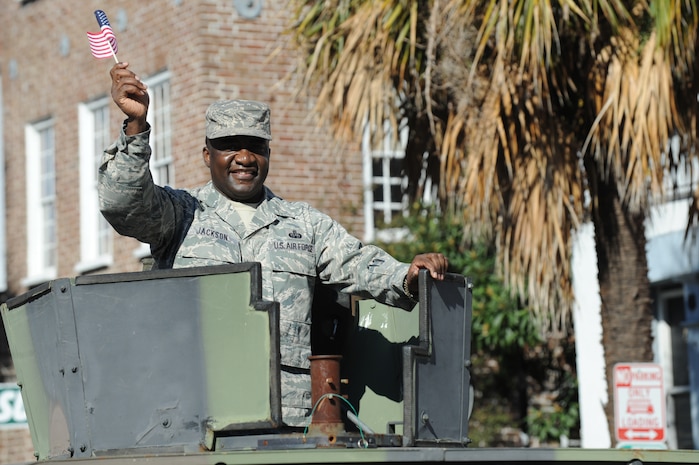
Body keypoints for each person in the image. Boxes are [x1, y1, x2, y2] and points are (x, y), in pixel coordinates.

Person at [99, 62, 449, 427]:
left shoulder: (303, 224)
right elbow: (123, 204)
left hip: (289, 418)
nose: (245, 158)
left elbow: (361, 264)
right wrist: (136, 127)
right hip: (197, 414)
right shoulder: (181, 214)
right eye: (229, 147)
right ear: (207, 156)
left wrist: (408, 276)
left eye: (255, 147)